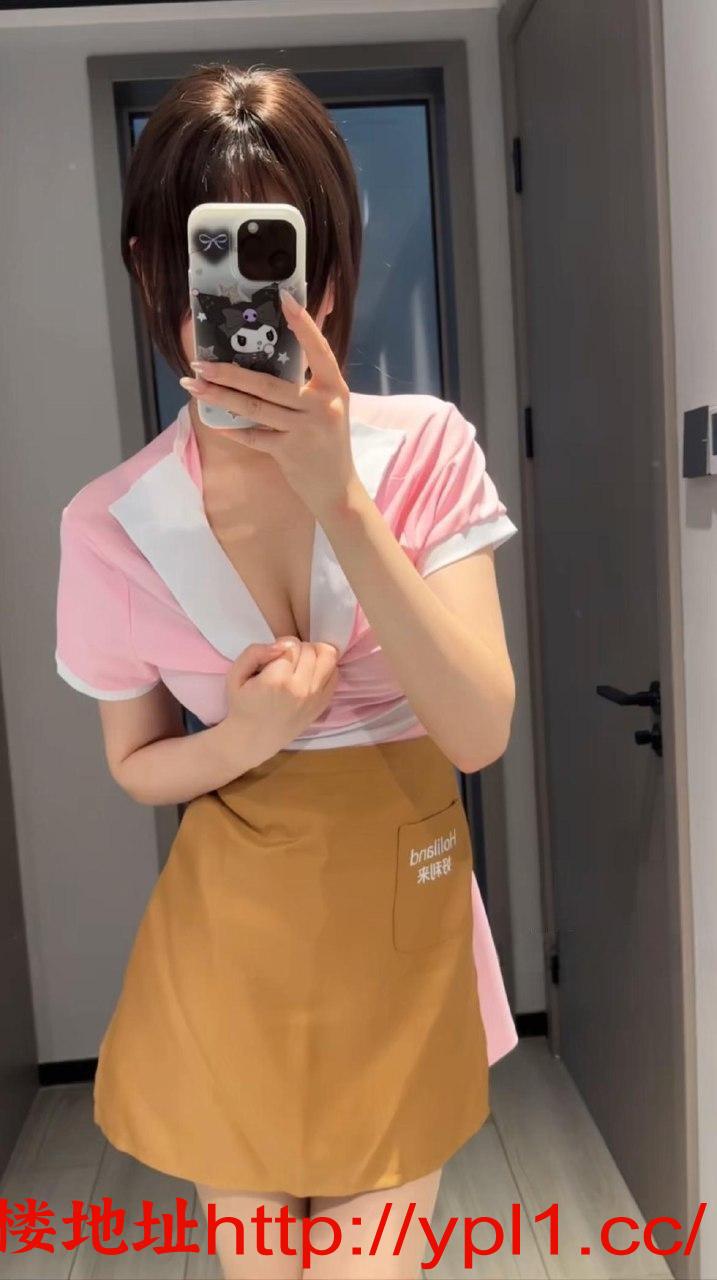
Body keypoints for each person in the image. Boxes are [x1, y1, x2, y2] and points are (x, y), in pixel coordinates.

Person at [54, 63, 519, 1280]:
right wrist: (249, 735)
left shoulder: (424, 449)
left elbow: (478, 730)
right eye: (216, 262)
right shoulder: (110, 522)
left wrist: (340, 499)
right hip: (233, 939)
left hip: (401, 921)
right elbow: (136, 765)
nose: (254, 302)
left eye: (284, 256)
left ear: (330, 268)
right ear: (155, 270)